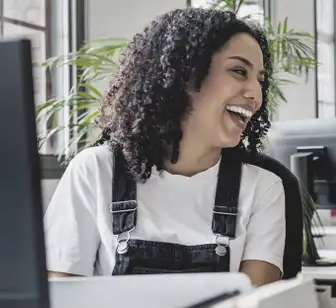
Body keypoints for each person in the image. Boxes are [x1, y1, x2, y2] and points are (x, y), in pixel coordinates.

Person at [43, 8, 285, 286]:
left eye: (260, 81)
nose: (256, 94)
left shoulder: (263, 189)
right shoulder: (94, 171)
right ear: (185, 73)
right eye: (239, 71)